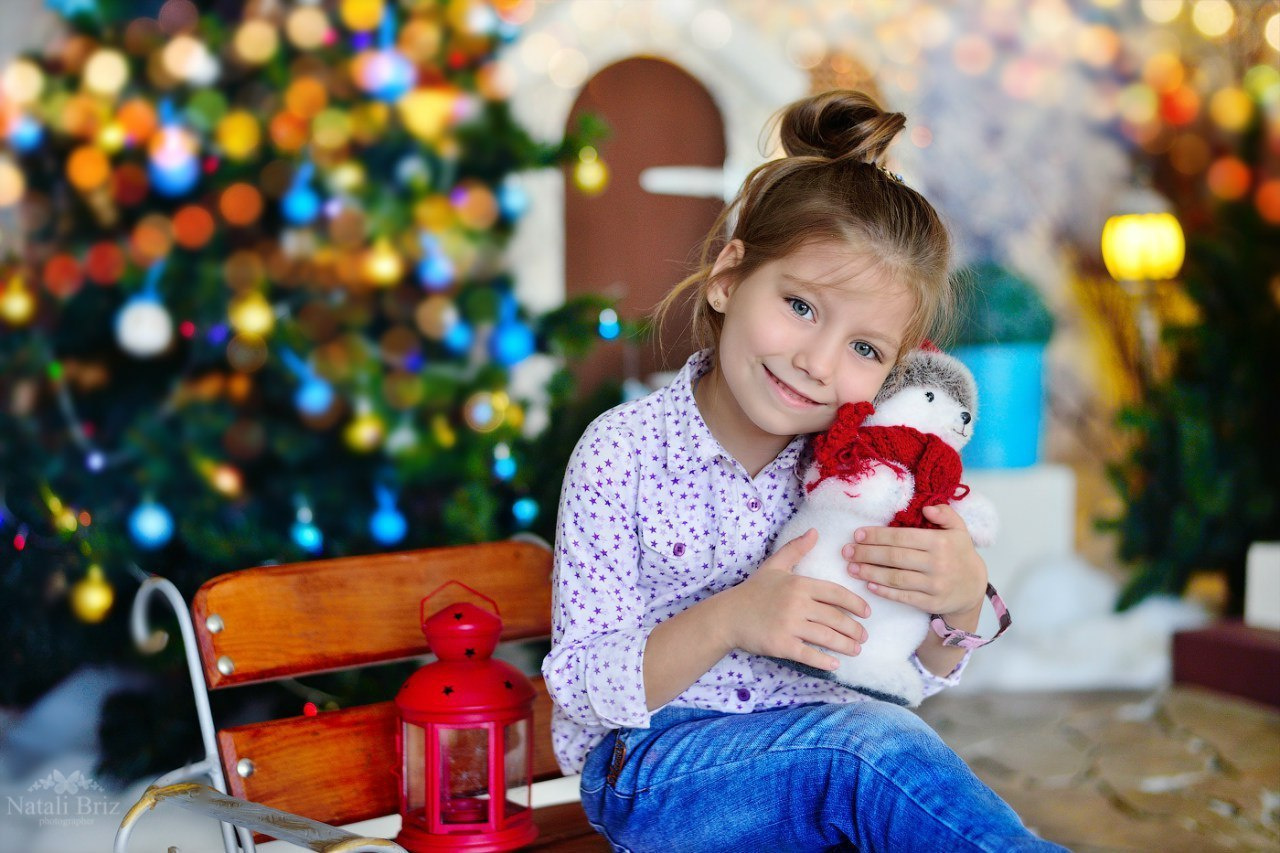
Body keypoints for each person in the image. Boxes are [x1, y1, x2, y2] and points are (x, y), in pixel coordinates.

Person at [542, 90, 1064, 852]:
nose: (818, 363)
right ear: (728, 277)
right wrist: (734, 617)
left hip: (815, 770)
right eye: (801, 305)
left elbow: (904, 666)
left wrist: (957, 605)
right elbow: (583, 683)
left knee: (872, 758)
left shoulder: (861, 478)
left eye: (864, 349)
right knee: (863, 753)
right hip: (654, 769)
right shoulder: (623, 452)